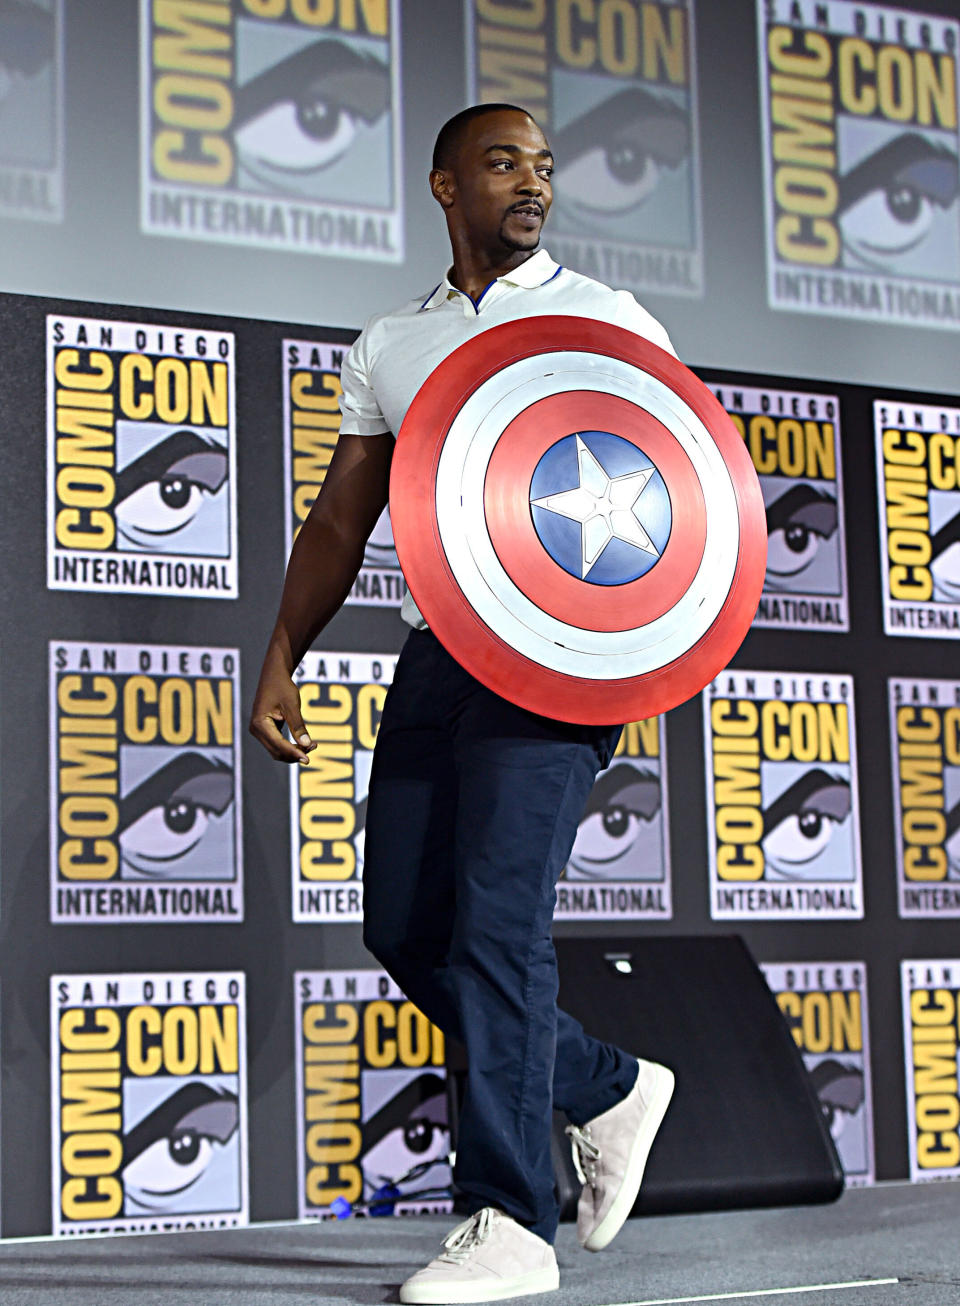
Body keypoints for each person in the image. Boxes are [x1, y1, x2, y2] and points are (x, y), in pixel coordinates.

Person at [250, 103, 675, 1305]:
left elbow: (672, 497)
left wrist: (636, 660)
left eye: (543, 167)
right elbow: (343, 518)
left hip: (557, 661)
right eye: (503, 164)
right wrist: (282, 650)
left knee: (498, 927)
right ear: (446, 186)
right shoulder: (392, 339)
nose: (531, 184)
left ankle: (510, 1222)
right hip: (439, 654)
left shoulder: (604, 318)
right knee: (404, 924)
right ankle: (606, 1085)